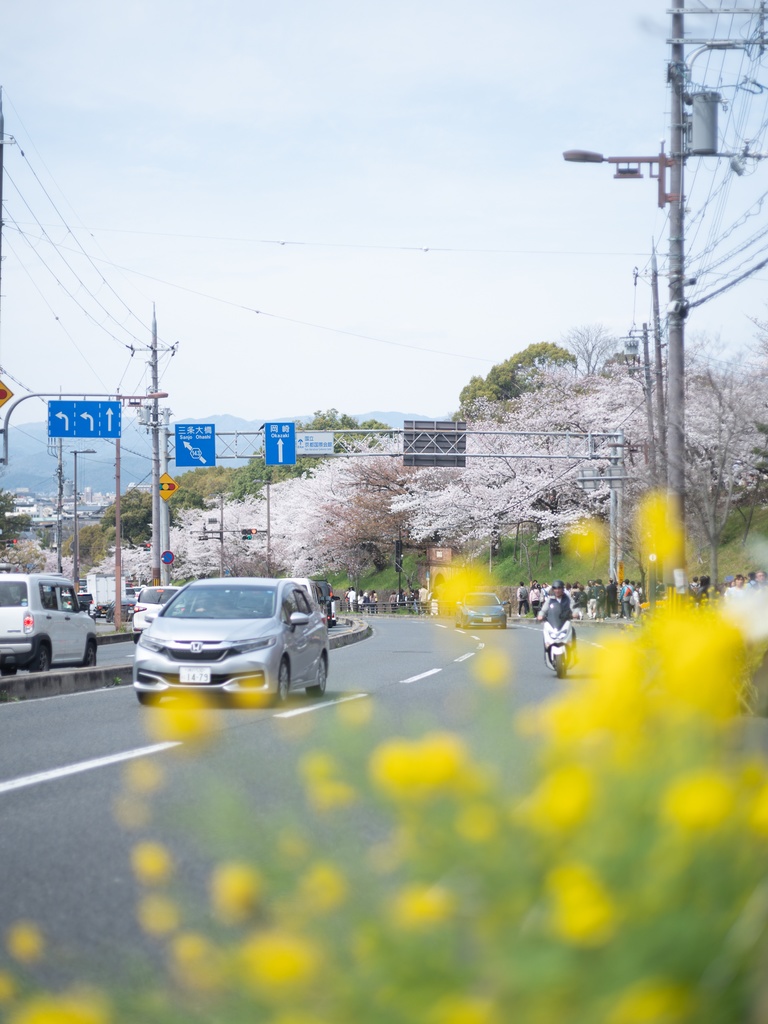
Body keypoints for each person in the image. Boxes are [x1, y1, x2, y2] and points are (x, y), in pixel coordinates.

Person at [537, 580, 577, 659]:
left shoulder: (568, 599)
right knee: (546, 634)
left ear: (563, 589)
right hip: (553, 623)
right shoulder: (550, 600)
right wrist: (540, 615)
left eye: (559, 588)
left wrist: (575, 613)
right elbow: (543, 610)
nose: (557, 590)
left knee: (573, 631)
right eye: (555, 588)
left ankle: (574, 651)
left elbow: (574, 607)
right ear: (553, 590)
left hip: (565, 622)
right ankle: (547, 650)